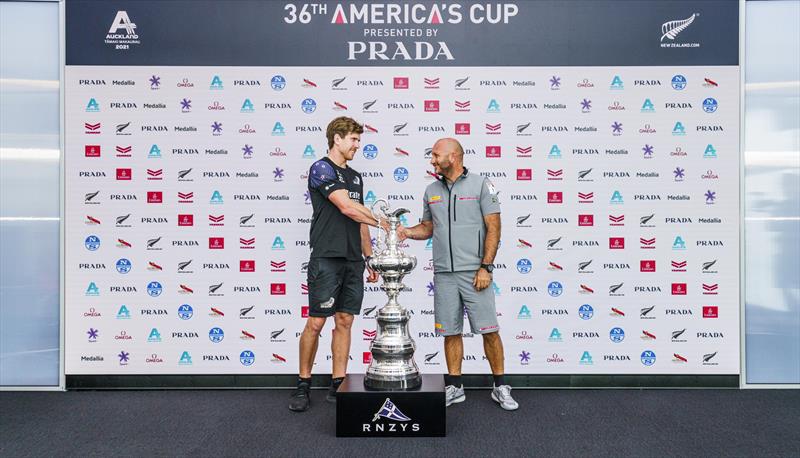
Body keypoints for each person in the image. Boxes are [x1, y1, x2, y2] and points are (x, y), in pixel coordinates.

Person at [398, 138, 518, 411]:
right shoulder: (431, 190)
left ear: (453, 157)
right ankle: (455, 386)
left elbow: (494, 228)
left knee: (489, 330)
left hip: (476, 272)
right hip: (444, 274)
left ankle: (500, 386)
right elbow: (428, 228)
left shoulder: (481, 184)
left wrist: (486, 267)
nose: (432, 160)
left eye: (435, 155)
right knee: (450, 332)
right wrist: (406, 232)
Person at [289, 116, 384, 412]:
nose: (358, 145)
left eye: (359, 139)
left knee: (345, 321)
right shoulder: (321, 168)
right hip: (327, 257)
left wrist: (369, 258)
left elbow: (360, 221)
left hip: (353, 259)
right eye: (354, 139)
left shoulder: (355, 176)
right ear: (337, 139)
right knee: (316, 322)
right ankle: (303, 384)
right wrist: (390, 223)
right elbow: (346, 207)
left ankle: (338, 382)